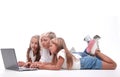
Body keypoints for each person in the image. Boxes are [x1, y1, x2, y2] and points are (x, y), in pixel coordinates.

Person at [32, 37, 117, 70]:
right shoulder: (58, 55)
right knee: (108, 64)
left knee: (113, 65)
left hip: (86, 63)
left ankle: (96, 52)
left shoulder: (61, 52)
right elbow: (53, 63)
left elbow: (57, 67)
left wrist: (42, 66)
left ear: (57, 46)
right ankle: (92, 50)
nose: (49, 47)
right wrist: (40, 63)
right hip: (84, 62)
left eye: (51, 45)